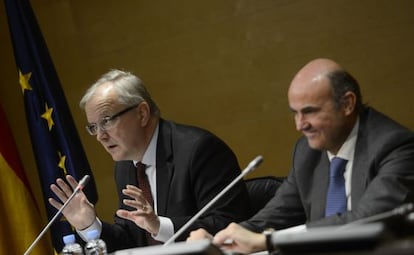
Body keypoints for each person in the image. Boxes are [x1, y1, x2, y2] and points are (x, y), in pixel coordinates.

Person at [188, 58, 414, 254]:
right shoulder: (307, 152)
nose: (300, 125)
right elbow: (276, 215)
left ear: (347, 103)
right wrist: (220, 241)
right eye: (294, 113)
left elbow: (367, 219)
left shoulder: (396, 147)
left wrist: (269, 241)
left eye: (309, 111)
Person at [48, 69, 251, 252]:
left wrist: (159, 226)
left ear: (142, 113)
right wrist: (89, 225)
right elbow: (133, 239)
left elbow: (229, 224)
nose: (100, 136)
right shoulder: (126, 166)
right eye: (93, 127)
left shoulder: (198, 150)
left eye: (107, 121)